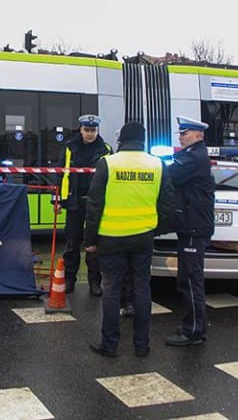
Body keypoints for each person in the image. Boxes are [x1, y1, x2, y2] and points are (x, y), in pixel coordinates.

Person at [84, 121, 177, 357]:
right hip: (143, 238)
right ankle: (142, 345)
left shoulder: (108, 163)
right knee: (142, 289)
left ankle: (110, 344)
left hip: (111, 237)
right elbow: (167, 203)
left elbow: (94, 205)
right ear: (143, 140)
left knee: (112, 289)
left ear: (121, 140)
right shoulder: (157, 165)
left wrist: (90, 239)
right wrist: (155, 229)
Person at [165, 115, 215, 347]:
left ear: (196, 134)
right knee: (186, 277)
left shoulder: (194, 158)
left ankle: (194, 331)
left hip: (194, 226)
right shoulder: (193, 155)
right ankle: (193, 325)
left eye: (184, 133)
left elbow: (169, 176)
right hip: (191, 225)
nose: (180, 137)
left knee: (191, 280)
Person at [54, 114, 112, 295]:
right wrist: (56, 199)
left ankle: (94, 282)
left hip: (96, 203)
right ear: (81, 129)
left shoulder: (106, 149)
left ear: (97, 131)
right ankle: (70, 280)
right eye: (87, 130)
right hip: (74, 202)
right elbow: (60, 174)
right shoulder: (70, 147)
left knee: (94, 245)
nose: (90, 134)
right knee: (72, 244)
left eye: (93, 130)